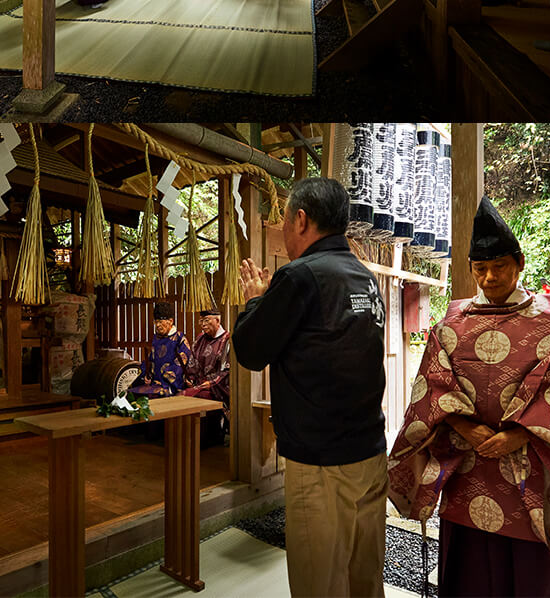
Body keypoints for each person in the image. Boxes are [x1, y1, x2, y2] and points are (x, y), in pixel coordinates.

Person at [387, 197, 550, 597]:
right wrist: (462, 426)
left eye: (499, 267)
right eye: (480, 269)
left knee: (528, 575)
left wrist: (521, 435)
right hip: (466, 468)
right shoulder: (451, 324)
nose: (489, 277)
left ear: (520, 263)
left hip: (528, 472)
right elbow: (432, 389)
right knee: (467, 574)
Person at [232, 177, 387, 598]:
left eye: (284, 218)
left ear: (300, 219)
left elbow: (250, 349)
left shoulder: (300, 276)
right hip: (370, 455)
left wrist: (254, 300)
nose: (283, 227)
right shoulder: (364, 277)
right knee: (364, 581)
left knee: (320, 584)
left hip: (323, 464)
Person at [130, 301, 195, 398]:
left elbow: (180, 363)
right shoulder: (156, 339)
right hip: (155, 382)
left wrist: (163, 381)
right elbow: (150, 360)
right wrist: (146, 375)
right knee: (132, 391)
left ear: (171, 321)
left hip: (171, 383)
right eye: (156, 322)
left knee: (155, 394)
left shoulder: (179, 338)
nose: (158, 325)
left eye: (160, 322)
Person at [181, 309, 230, 405]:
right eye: (201, 320)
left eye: (206, 320)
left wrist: (211, 384)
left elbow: (228, 371)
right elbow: (192, 363)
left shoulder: (227, 340)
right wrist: (190, 379)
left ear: (217, 321)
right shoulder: (199, 340)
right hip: (200, 387)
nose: (203, 324)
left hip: (216, 390)